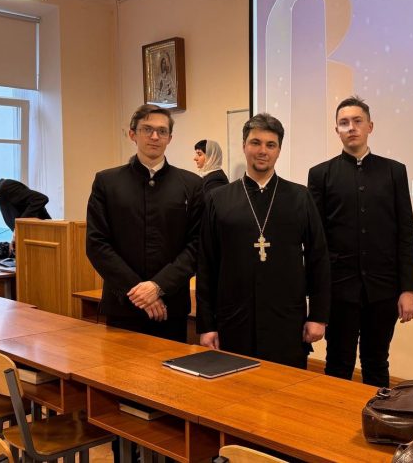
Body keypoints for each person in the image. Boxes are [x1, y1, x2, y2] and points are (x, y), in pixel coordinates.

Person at [196, 113, 330, 369]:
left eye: (271, 145)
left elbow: (319, 258)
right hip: (233, 320)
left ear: (279, 150)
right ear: (244, 146)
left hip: (287, 320)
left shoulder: (300, 197)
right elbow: (206, 264)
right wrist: (207, 324)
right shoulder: (218, 199)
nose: (262, 151)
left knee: (286, 388)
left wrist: (318, 316)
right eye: (255, 143)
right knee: (235, 386)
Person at [307, 95, 413, 387]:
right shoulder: (320, 175)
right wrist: (317, 297)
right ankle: (335, 416)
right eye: (344, 123)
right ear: (337, 130)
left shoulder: (393, 171)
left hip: (383, 288)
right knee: (338, 362)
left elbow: (405, 232)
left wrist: (408, 289)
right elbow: (317, 242)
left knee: (377, 361)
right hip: (339, 288)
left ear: (370, 126)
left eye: (357, 121)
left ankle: (378, 415)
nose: (351, 127)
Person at [86, 104, 203, 344]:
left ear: (170, 138)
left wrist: (158, 286)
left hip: (170, 307)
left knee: (170, 369)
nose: (155, 136)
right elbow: (97, 244)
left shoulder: (191, 184)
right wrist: (140, 292)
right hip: (123, 305)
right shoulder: (107, 182)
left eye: (162, 131)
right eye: (147, 129)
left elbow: (196, 245)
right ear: (133, 134)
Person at [0, 171, 51, 251]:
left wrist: (19, 227)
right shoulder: (1, 192)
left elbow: (40, 199)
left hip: (44, 239)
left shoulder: (6, 187)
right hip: (35, 240)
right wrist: (15, 236)